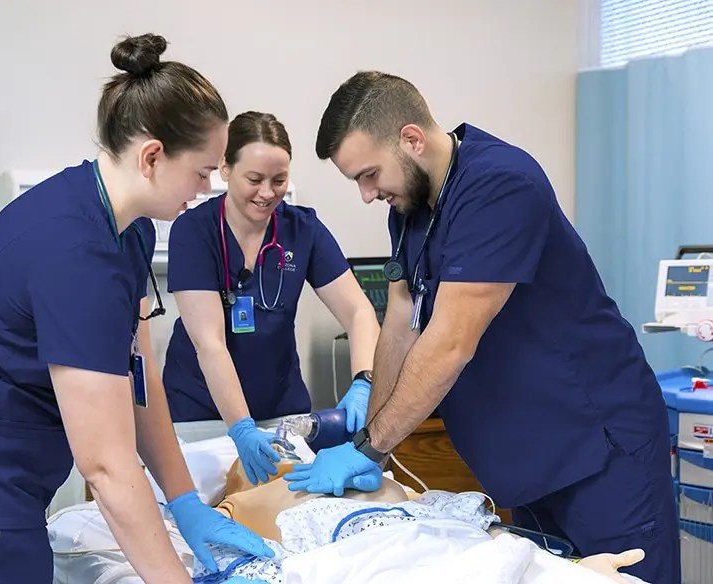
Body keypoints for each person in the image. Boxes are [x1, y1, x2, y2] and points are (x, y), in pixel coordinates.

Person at [0, 33, 271, 584]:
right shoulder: (77, 253)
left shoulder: (128, 231)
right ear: (152, 157)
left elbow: (139, 377)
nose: (208, 188)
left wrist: (184, 501)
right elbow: (104, 467)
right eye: (202, 172)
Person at [283, 70, 679, 584]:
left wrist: (370, 448)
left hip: (597, 446)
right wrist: (371, 444)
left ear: (411, 139)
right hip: (527, 456)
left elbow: (450, 343)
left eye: (370, 174)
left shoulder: (499, 185)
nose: (366, 193)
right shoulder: (410, 209)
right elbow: (399, 324)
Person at [163, 111, 380, 485]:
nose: (267, 193)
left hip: (283, 414)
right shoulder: (193, 232)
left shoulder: (303, 229)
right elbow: (209, 343)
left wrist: (364, 381)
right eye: (254, 179)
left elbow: (359, 311)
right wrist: (242, 428)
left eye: (279, 180)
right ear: (225, 168)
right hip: (201, 415)